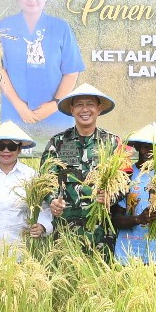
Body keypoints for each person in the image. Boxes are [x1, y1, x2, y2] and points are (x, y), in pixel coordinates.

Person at [0, 0, 85, 137]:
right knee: (14, 156)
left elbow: (71, 71)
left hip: (56, 116)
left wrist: (54, 105)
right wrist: (19, 106)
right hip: (15, 113)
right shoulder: (3, 28)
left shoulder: (61, 28)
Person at [39, 83, 123, 256]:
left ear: (99, 109)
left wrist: (111, 195)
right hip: (65, 231)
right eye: (79, 104)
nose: (85, 109)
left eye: (90, 104)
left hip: (102, 232)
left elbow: (125, 179)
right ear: (71, 109)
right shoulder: (57, 142)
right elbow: (46, 179)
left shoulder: (113, 142)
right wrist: (52, 200)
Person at [112, 123, 156, 276]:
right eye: (145, 147)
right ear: (137, 147)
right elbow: (116, 219)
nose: (149, 151)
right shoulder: (125, 176)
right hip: (127, 254)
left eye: (154, 148)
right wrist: (139, 219)